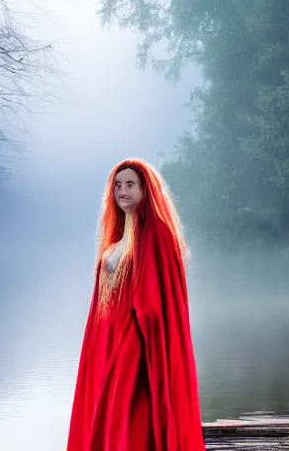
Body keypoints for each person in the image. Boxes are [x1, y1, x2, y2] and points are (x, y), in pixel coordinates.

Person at [66, 158, 205, 451]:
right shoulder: (116, 239)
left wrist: (137, 342)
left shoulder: (158, 233)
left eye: (130, 184)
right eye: (117, 185)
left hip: (138, 341)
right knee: (106, 408)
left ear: (145, 190)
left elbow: (155, 300)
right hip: (106, 337)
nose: (122, 190)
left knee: (128, 409)